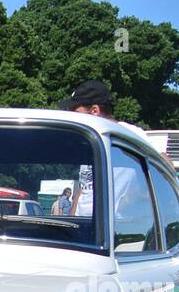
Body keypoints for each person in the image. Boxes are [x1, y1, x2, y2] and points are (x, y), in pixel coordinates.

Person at [59, 80, 146, 218]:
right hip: (84, 226)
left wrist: (137, 197)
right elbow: (86, 185)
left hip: (113, 229)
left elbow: (165, 166)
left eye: (76, 111)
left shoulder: (128, 133)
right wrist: (72, 216)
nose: (72, 116)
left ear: (95, 111)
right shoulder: (91, 142)